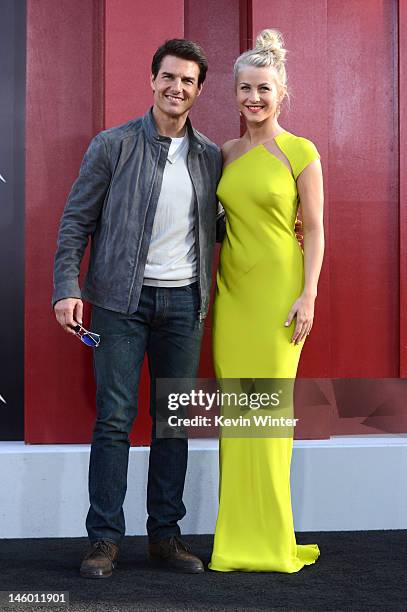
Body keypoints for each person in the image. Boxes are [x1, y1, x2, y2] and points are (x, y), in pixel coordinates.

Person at [52, 39, 222, 578]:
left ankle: (165, 538)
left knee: (172, 424)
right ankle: (103, 541)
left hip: (184, 305)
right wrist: (65, 286)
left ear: (198, 90)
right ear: (153, 80)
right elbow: (76, 220)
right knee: (115, 421)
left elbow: (220, 225)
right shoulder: (113, 145)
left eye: (188, 81)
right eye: (169, 77)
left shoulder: (210, 156)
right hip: (118, 305)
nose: (177, 88)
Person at [208, 29, 324, 572]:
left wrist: (309, 295)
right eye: (245, 89)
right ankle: (234, 545)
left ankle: (273, 543)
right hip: (232, 294)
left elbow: (317, 232)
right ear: (234, 93)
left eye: (264, 89)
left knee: (270, 417)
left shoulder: (301, 151)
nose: (254, 98)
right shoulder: (225, 153)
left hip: (280, 294)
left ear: (282, 92)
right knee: (238, 419)